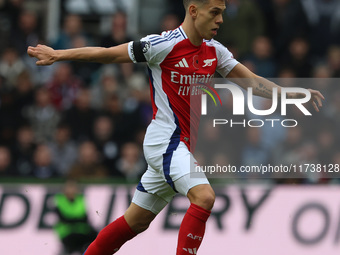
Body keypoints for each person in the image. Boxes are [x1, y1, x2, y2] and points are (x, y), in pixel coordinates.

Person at [27, 0, 325, 254]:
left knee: (136, 222)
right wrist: (59, 55)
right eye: (215, 12)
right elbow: (107, 52)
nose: (220, 19)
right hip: (165, 141)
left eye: (223, 11)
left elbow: (251, 82)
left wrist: (292, 94)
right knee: (205, 197)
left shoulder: (214, 51)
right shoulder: (163, 45)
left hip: (179, 146)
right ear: (194, 10)